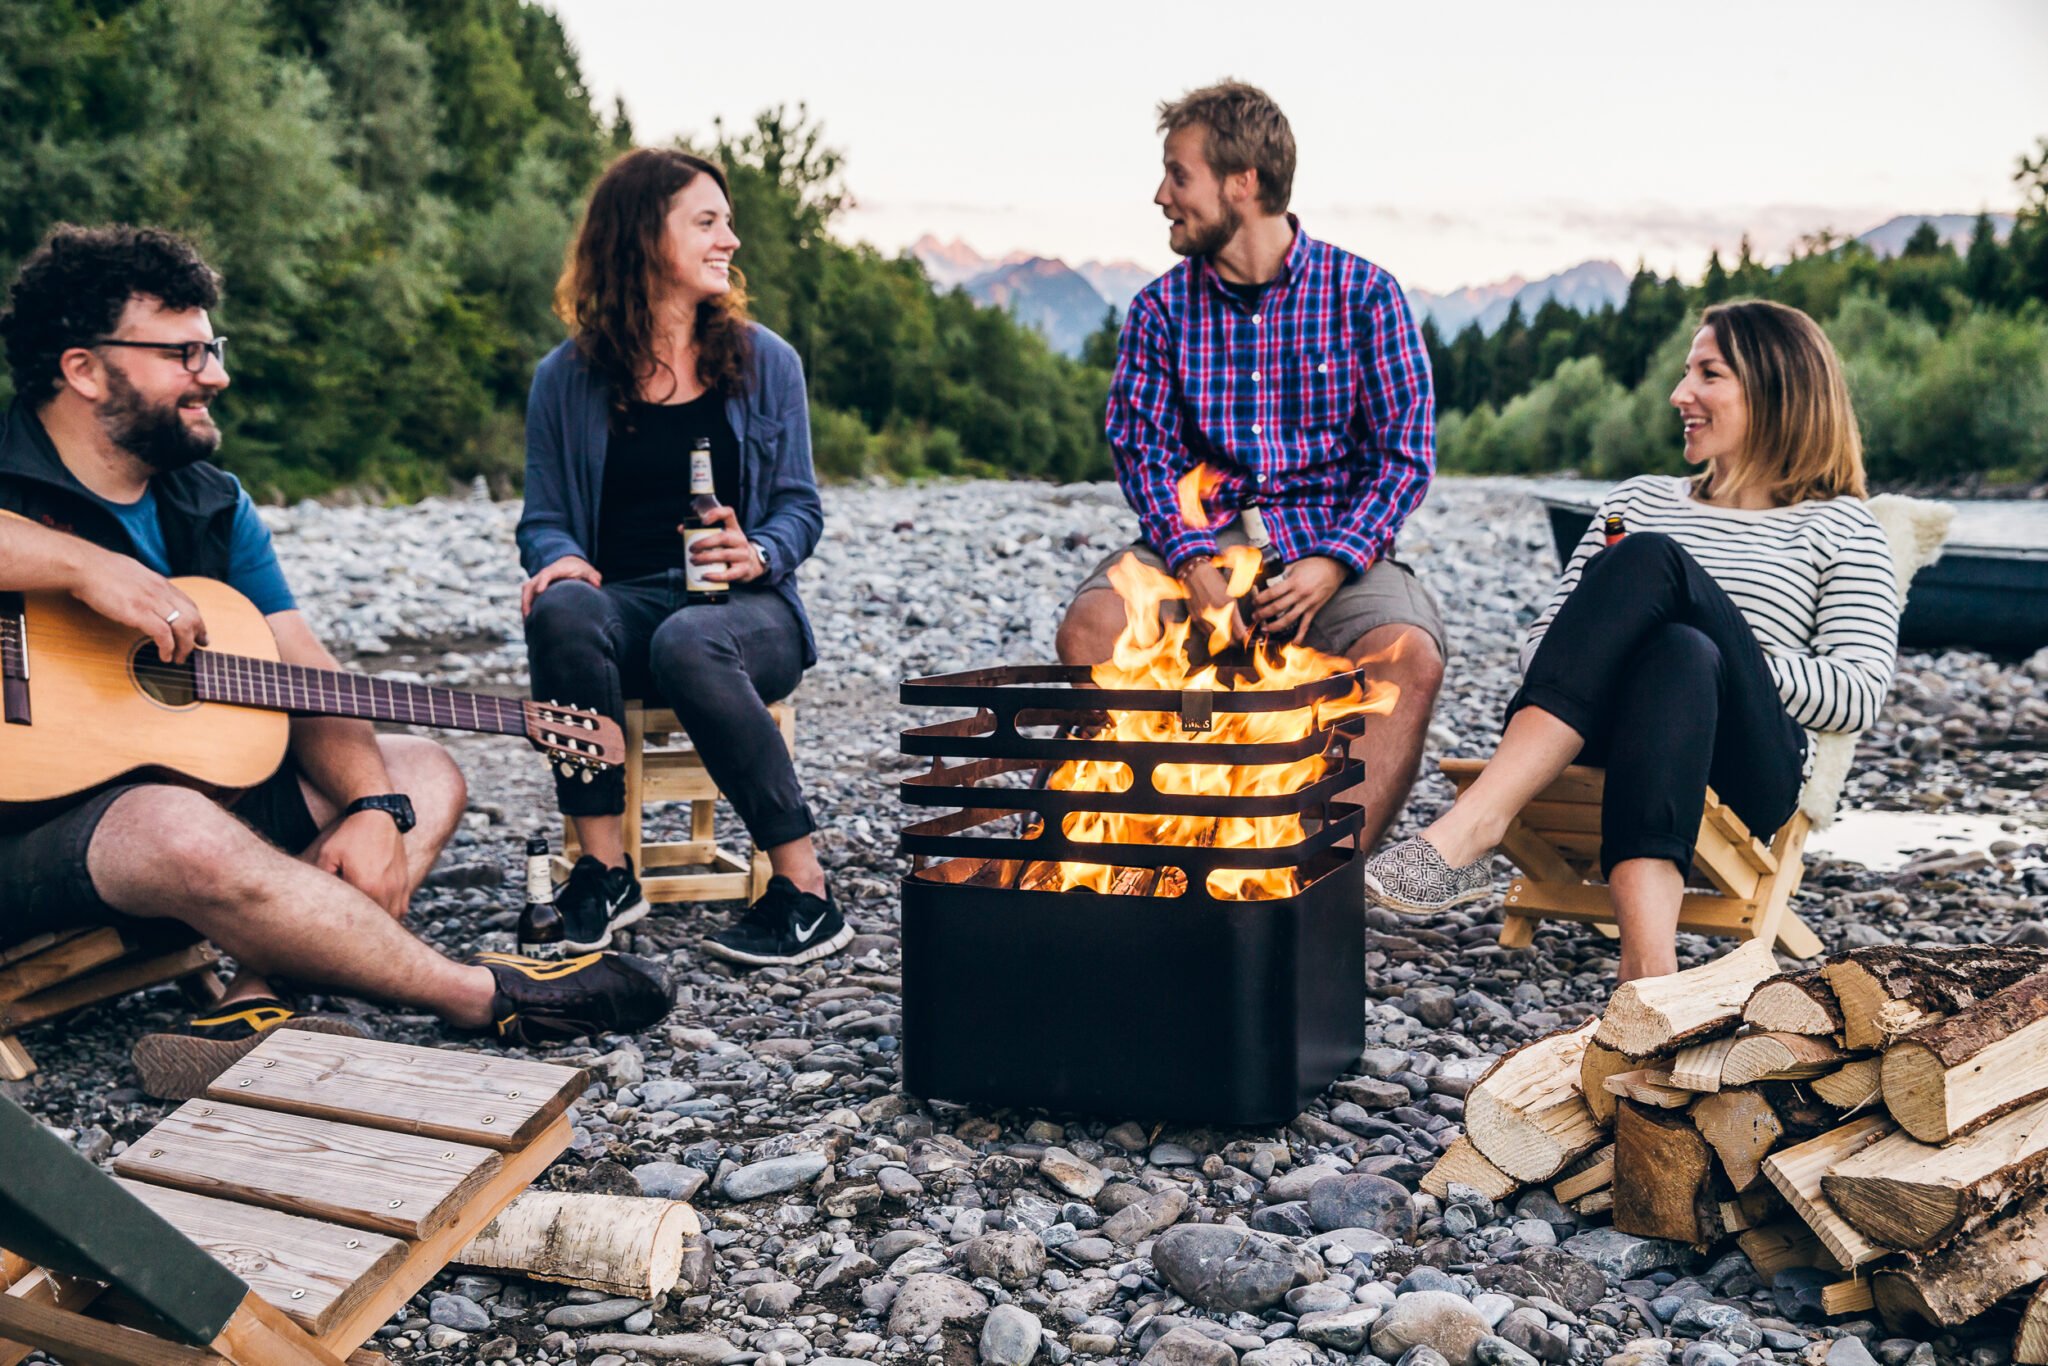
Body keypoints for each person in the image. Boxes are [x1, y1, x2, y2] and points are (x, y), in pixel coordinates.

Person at [0, 225, 672, 1095]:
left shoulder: (209, 503)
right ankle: (478, 996)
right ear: (85, 369)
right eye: (185, 353)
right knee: (172, 821)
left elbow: (303, 669)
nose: (217, 374)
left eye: (214, 347)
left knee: (424, 769)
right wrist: (83, 565)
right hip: (29, 839)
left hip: (189, 804)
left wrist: (374, 805)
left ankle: (259, 997)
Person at [1364, 300, 1900, 981]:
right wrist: (1625, 629)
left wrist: (1730, 643)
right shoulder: (1639, 498)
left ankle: (1476, 824)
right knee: (1679, 651)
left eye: (1708, 374)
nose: (1681, 395)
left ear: (1776, 389)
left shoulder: (1843, 527)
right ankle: (1649, 975)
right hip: (1607, 730)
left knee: (1664, 582)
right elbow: (1540, 653)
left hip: (1745, 765)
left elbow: (1855, 695)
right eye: (1685, 374)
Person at [1055, 80, 1446, 853]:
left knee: (1410, 656)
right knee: (1095, 624)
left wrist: (1336, 562)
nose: (1162, 195)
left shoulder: (1365, 294)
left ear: (1244, 182)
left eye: (1179, 174)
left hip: (1335, 553)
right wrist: (1195, 560)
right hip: (1195, 549)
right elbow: (1144, 454)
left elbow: (1405, 454)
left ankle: (1317, 879)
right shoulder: (1159, 310)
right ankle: (1175, 843)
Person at [518, 148, 845, 969]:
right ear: (640, 239)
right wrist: (557, 559)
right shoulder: (565, 378)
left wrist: (759, 550)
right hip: (622, 606)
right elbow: (545, 518)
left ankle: (807, 894)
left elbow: (801, 507)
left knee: (690, 639)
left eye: (727, 222)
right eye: (707, 222)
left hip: (748, 615)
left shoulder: (767, 362)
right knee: (560, 609)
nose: (729, 239)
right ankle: (604, 871)